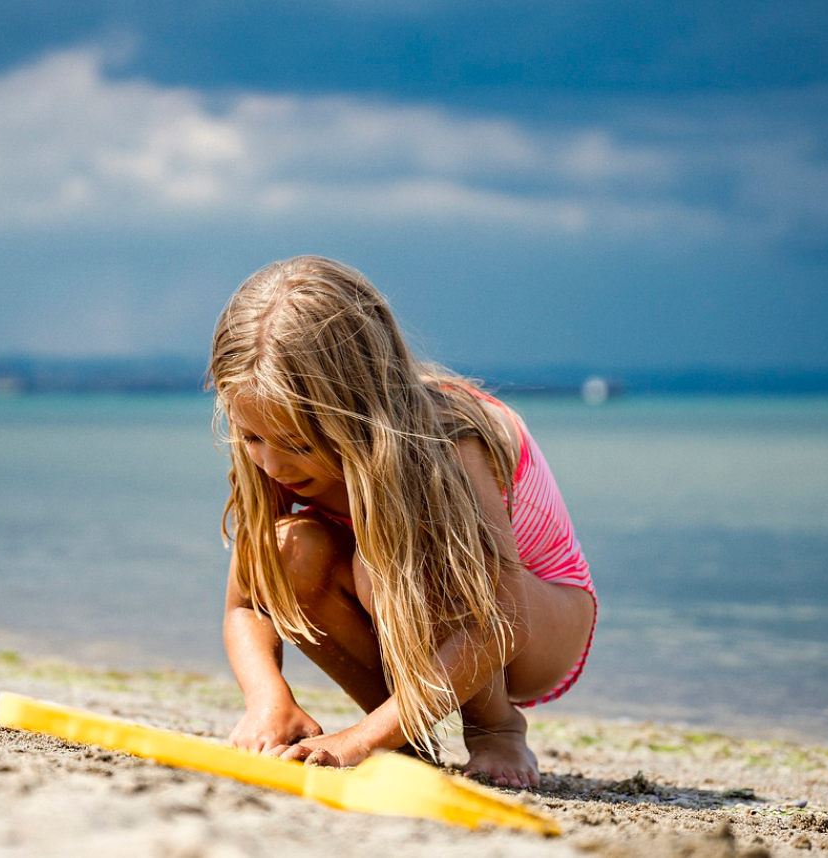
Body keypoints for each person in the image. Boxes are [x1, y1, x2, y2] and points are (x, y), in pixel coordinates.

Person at [208, 255, 597, 789]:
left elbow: (500, 619)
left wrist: (359, 741)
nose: (272, 464)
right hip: (415, 610)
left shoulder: (448, 439)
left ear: (356, 410)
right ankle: (405, 737)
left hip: (536, 624)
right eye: (252, 438)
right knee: (284, 551)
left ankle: (496, 726)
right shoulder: (275, 431)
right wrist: (268, 699)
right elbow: (246, 603)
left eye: (298, 444)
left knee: (388, 557)